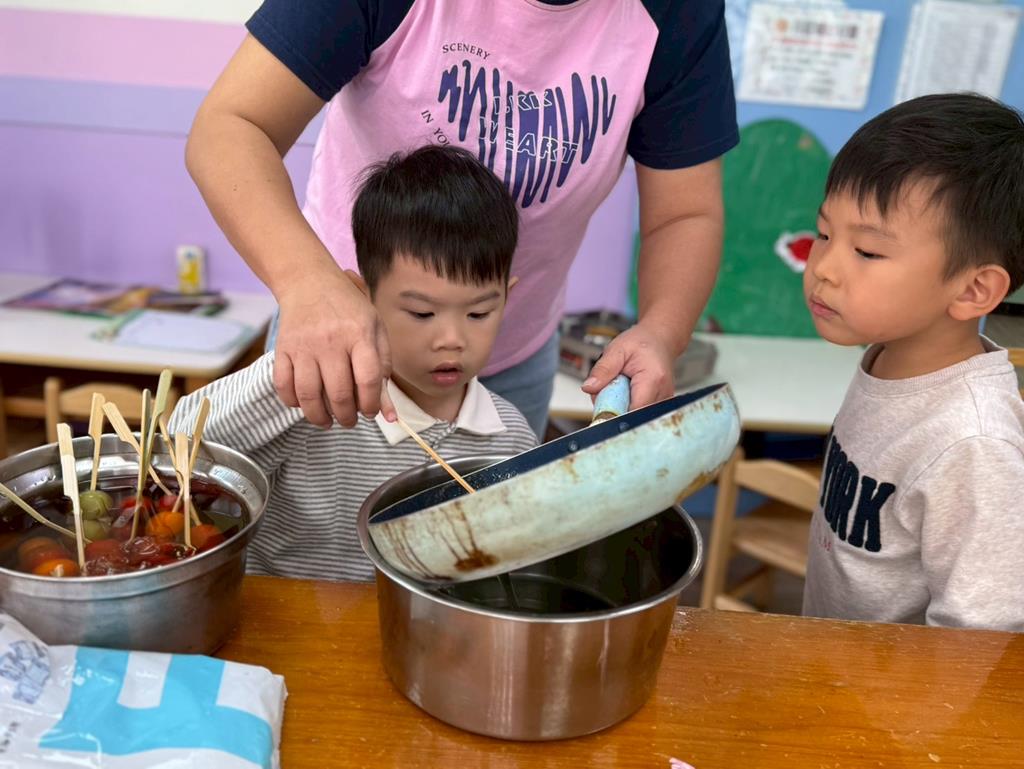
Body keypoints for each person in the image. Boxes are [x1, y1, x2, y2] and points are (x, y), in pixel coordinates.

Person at [185, 0, 738, 438]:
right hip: (337, 342)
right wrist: (309, 285)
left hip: (513, 355)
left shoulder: (676, 13)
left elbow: (684, 213)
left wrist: (662, 331)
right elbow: (230, 127)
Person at [168, 145, 538, 581]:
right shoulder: (312, 397)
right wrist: (294, 370)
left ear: (507, 299)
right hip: (283, 616)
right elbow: (177, 450)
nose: (451, 340)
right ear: (361, 298)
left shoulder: (511, 439)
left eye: (478, 313)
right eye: (422, 313)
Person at [801, 93, 1024, 631]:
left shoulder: (974, 445)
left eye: (868, 252)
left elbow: (982, 638)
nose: (823, 267)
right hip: (828, 658)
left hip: (889, 686)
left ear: (972, 290)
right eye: (825, 234)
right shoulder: (887, 358)